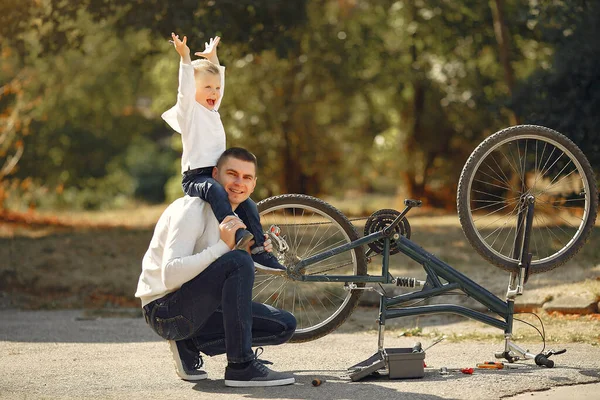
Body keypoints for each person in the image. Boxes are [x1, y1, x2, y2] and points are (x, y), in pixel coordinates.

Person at [135, 147, 296, 387]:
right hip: (164, 311)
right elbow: (170, 276)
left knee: (284, 325)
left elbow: (222, 274)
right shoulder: (192, 209)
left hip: (197, 308)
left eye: (247, 177)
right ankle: (241, 366)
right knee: (238, 262)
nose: (238, 183)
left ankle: (189, 343)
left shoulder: (235, 215)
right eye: (232, 174)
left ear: (253, 185)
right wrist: (224, 247)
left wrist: (252, 251)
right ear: (214, 175)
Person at [161, 32, 285, 272]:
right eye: (207, 87)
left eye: (216, 88)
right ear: (194, 89)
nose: (215, 92)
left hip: (219, 174)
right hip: (197, 177)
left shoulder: (212, 110)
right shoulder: (189, 113)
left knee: (248, 204)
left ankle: (260, 250)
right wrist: (185, 59)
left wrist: (213, 58)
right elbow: (184, 92)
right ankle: (237, 232)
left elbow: (219, 83)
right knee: (216, 190)